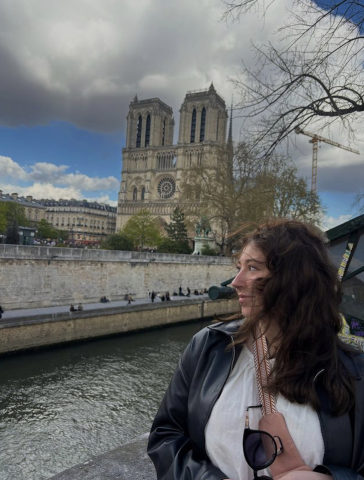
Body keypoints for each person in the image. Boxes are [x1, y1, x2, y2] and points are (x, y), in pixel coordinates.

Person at [148, 219, 364, 480]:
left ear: (297, 278)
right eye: (239, 268)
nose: (236, 282)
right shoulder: (208, 346)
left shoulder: (354, 370)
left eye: (252, 268)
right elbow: (165, 434)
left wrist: (331, 478)